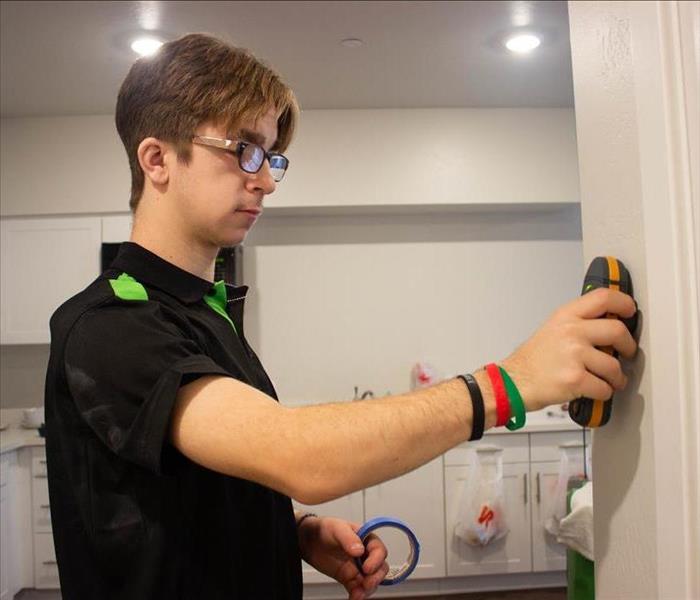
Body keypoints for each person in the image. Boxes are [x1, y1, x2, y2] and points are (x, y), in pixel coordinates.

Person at [44, 33, 638, 600]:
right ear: (157, 160)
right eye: (243, 150)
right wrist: (512, 382)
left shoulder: (209, 313)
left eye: (272, 157)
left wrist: (295, 533)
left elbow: (192, 490)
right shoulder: (107, 324)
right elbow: (296, 454)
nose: (264, 181)